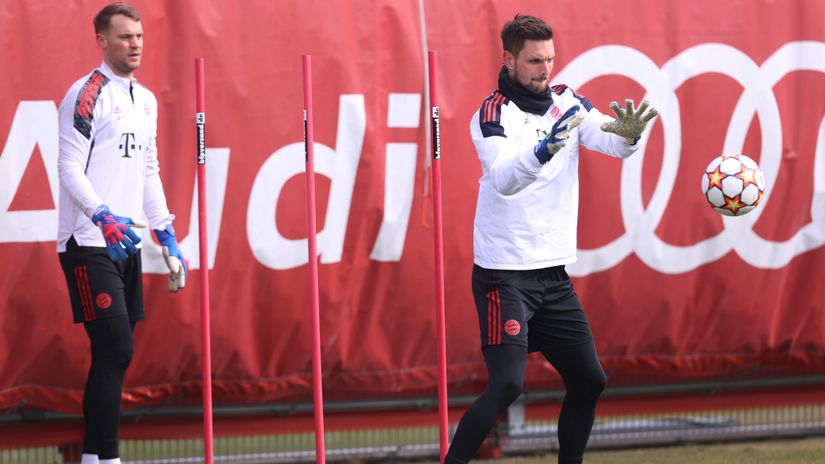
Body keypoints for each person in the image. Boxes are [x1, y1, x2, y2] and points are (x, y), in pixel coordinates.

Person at [444, 14, 657, 464]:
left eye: (551, 59)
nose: (545, 69)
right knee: (507, 385)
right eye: (535, 60)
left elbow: (610, 140)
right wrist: (542, 151)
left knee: (590, 380)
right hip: (505, 275)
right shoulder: (491, 113)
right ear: (509, 59)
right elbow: (502, 178)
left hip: (552, 275)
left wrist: (631, 135)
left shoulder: (568, 102)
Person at [56, 3, 187, 463]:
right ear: (102, 41)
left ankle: (95, 457)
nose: (134, 44)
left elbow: (148, 170)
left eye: (139, 37)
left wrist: (166, 233)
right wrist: (101, 215)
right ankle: (107, 458)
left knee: (115, 356)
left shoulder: (146, 100)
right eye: (125, 37)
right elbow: (69, 167)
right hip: (89, 241)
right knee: (116, 347)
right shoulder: (86, 93)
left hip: (127, 242)